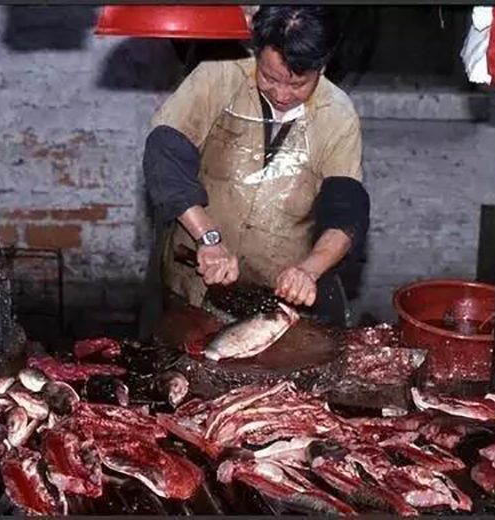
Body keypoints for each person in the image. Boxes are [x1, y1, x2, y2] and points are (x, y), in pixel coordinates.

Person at [140, 6, 370, 334]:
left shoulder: (338, 115)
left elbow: (346, 212)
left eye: (297, 84)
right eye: (269, 77)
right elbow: (164, 155)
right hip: (192, 283)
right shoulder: (217, 75)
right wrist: (208, 237)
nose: (281, 94)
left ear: (322, 65)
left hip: (276, 302)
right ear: (257, 51)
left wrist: (308, 271)